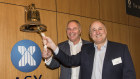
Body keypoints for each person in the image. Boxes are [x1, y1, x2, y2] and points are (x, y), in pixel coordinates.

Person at [43, 20, 136, 79]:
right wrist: (53, 46)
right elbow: (69, 61)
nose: (97, 32)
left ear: (106, 31)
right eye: (93, 30)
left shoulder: (121, 49)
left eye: (100, 29)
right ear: (91, 35)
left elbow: (129, 75)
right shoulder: (86, 50)